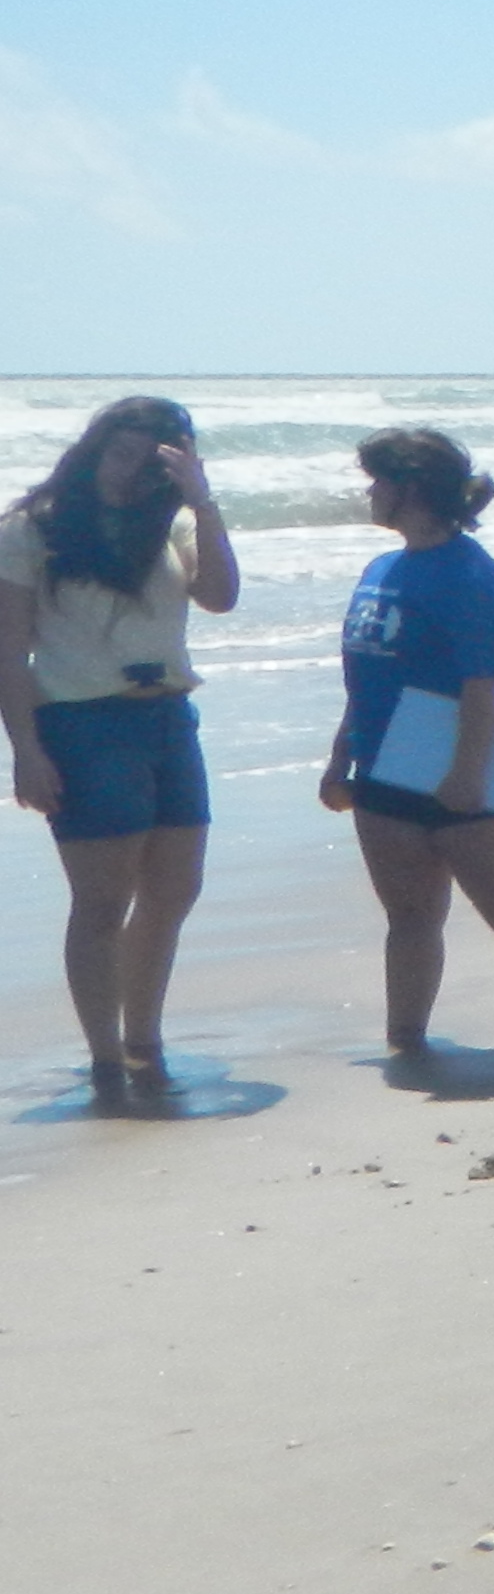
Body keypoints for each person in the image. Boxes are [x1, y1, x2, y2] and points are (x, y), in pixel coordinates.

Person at [320, 427, 494, 1065]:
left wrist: (467, 777)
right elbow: (365, 675)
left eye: (378, 481)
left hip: (472, 756)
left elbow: (480, 685)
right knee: (410, 917)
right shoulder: (381, 568)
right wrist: (339, 759)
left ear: (409, 488)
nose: (369, 492)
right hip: (386, 760)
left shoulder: (475, 577)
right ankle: (406, 1041)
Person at [1, 393, 241, 1100]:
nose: (130, 473)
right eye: (121, 454)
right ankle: (106, 1056)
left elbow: (222, 597)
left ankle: (145, 1039)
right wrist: (25, 749)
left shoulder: (171, 525)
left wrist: (203, 502)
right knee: (102, 901)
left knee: (174, 889)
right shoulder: (33, 528)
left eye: (150, 462)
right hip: (81, 722)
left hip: (167, 717)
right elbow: (9, 653)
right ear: (95, 449)